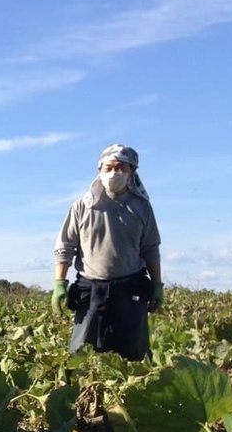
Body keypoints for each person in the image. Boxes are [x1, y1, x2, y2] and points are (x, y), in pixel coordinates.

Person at [51, 143, 163, 360]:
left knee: (133, 357)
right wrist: (59, 284)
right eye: (109, 168)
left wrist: (157, 284)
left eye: (121, 167)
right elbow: (65, 246)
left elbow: (151, 248)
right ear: (100, 170)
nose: (114, 173)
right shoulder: (82, 206)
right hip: (91, 289)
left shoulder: (141, 208)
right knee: (81, 356)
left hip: (130, 288)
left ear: (132, 171)